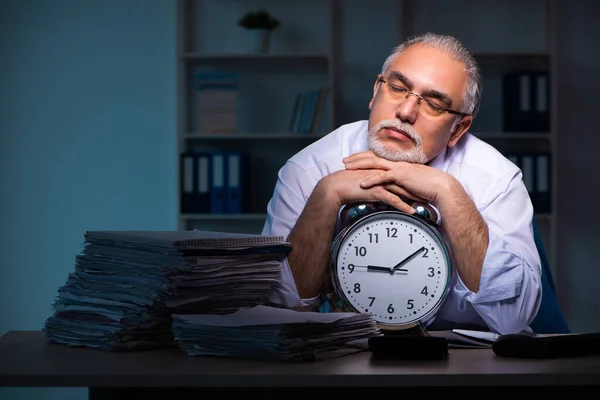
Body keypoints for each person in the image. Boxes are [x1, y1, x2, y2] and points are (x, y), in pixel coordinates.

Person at [261, 32, 542, 335]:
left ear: (458, 128)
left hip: (464, 366)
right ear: (375, 92)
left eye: (434, 104)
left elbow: (512, 318)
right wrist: (325, 198)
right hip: (345, 361)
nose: (406, 112)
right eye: (397, 88)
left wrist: (448, 193)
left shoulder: (495, 178)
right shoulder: (309, 168)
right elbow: (279, 315)